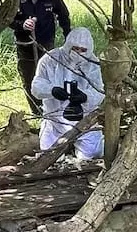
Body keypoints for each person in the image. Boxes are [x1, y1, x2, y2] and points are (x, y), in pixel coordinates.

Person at [31, 27, 104, 159]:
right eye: (75, 48)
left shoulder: (93, 64)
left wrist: (85, 97)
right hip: (54, 119)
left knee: (93, 153)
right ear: (68, 44)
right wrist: (52, 90)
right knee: (48, 157)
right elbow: (36, 86)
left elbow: (99, 91)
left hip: (84, 120)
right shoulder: (50, 59)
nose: (78, 53)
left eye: (83, 50)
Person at [11, 0, 71, 116]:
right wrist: (22, 24)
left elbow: (64, 16)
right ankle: (37, 112)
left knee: (49, 76)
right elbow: (7, 19)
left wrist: (68, 36)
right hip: (25, 46)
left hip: (46, 43)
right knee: (29, 78)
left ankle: (51, 110)